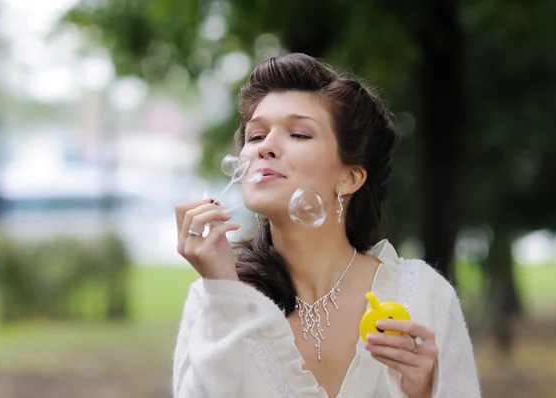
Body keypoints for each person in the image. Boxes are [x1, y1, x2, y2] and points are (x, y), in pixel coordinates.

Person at [173, 53, 481, 398]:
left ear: (350, 177)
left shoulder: (424, 297)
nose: (265, 148)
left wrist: (423, 391)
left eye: (299, 134)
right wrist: (224, 292)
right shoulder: (213, 296)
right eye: (256, 136)